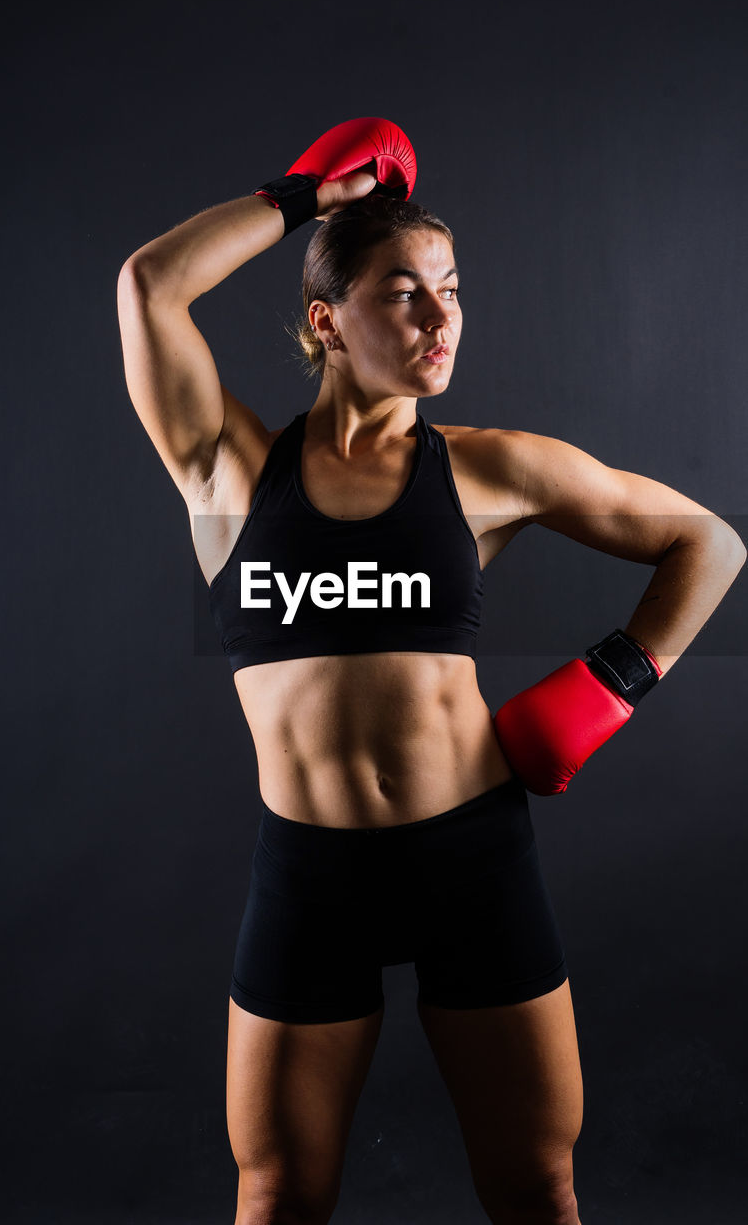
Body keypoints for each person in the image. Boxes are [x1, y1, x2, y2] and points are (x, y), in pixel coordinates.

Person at [116, 120, 745, 1225]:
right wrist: (306, 194)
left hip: (472, 859)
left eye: (449, 288)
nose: (439, 314)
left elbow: (710, 542)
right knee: (274, 1193)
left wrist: (617, 678)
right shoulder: (227, 468)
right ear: (327, 321)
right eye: (403, 292)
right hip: (310, 877)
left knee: (538, 1188)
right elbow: (150, 285)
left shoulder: (488, 469)